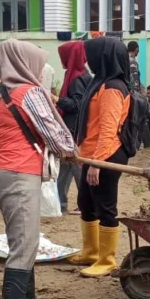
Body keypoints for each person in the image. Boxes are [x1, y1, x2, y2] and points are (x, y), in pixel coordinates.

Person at [0, 40, 78, 299]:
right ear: (25, 64)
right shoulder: (31, 93)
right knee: (24, 243)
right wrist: (70, 150)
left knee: (25, 238)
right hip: (20, 175)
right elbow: (56, 136)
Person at [68, 38, 131, 277]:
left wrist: (98, 164)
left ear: (103, 57)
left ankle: (107, 259)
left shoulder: (113, 87)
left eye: (91, 56)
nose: (88, 61)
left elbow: (108, 129)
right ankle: (92, 251)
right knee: (86, 202)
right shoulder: (99, 82)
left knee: (105, 206)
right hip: (92, 154)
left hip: (108, 155)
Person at [56, 41, 93, 215]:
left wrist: (57, 100)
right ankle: (60, 202)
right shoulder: (82, 74)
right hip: (76, 127)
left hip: (73, 128)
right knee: (66, 166)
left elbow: (78, 105)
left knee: (74, 165)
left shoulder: (76, 78)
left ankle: (85, 203)